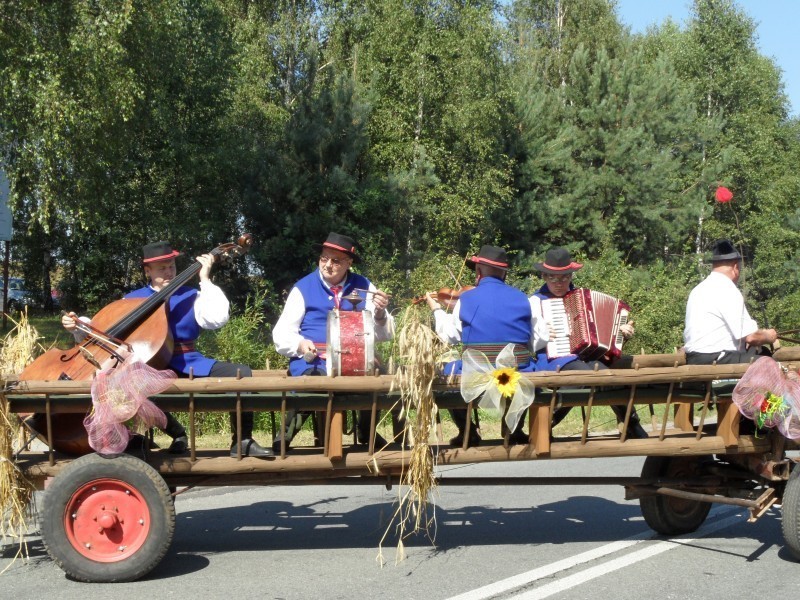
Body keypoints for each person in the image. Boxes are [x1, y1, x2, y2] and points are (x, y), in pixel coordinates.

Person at [63, 241, 274, 458]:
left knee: (242, 374)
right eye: (161, 268)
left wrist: (204, 278)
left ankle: (242, 441)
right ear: (148, 271)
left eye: (171, 266)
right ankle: (171, 434)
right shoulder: (131, 299)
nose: (168, 272)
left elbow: (216, 319)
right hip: (147, 367)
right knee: (127, 385)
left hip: (187, 361)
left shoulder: (192, 295)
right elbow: (104, 331)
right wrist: (78, 325)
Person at [272, 232, 396, 451]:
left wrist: (379, 313)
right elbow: (281, 333)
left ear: (349, 263)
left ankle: (367, 432)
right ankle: (286, 435)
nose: (327, 265)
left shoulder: (364, 285)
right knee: (313, 382)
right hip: (314, 360)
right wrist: (300, 344)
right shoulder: (303, 288)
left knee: (376, 376)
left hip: (355, 360)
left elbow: (385, 333)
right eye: (323, 258)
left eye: (335, 260)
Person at [425, 245, 545, 447]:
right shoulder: (525, 299)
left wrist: (437, 310)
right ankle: (514, 428)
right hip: (515, 374)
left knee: (449, 373)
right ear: (504, 273)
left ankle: (467, 431)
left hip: (478, 375)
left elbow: (449, 336)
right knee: (526, 366)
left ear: (479, 272)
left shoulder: (467, 299)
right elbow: (538, 340)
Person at [529, 247, 648, 439]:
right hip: (552, 358)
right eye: (553, 278)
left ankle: (630, 422)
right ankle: (545, 424)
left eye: (564, 277)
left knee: (607, 374)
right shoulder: (535, 302)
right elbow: (529, 341)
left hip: (583, 357)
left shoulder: (580, 297)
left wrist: (621, 332)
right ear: (544, 276)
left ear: (571, 275)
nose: (559, 283)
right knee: (583, 376)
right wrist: (542, 335)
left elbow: (602, 331)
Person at [684, 239, 777, 365]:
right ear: (735, 267)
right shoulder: (727, 289)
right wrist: (768, 336)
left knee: (762, 352)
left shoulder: (697, 290)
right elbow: (752, 337)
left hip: (694, 358)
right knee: (771, 364)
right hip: (716, 358)